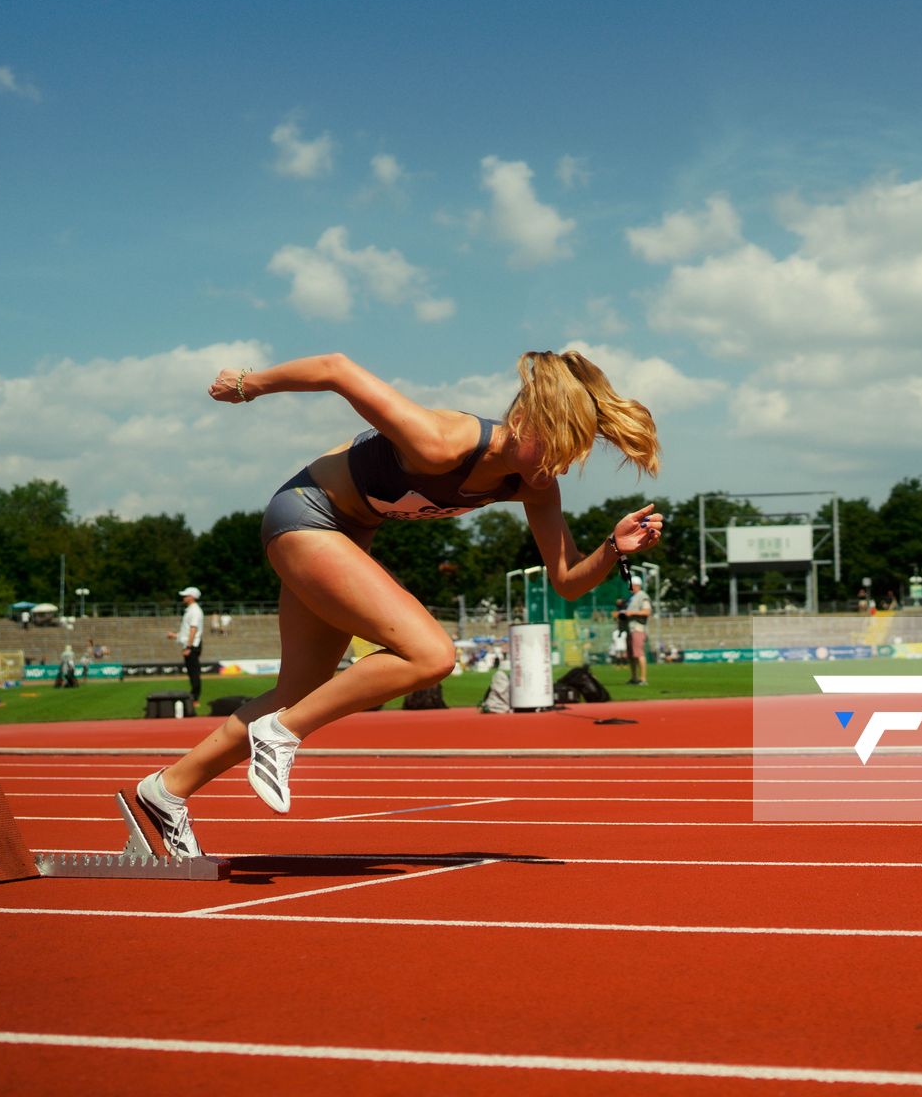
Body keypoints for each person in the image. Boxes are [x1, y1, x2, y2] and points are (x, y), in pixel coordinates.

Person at [129, 350, 663, 858]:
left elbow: (567, 580)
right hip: (305, 516)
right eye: (556, 450)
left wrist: (612, 548)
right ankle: (282, 733)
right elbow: (336, 369)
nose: (560, 469)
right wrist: (248, 384)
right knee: (430, 654)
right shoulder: (442, 441)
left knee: (297, 692)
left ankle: (167, 789)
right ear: (526, 420)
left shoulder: (533, 484)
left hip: (347, 538)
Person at [172, 586, 205, 702]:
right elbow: (187, 631)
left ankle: (195, 697)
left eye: (185, 595)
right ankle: (194, 695)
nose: (183, 597)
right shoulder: (191, 610)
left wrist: (188, 647)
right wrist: (175, 635)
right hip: (191, 645)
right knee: (191, 672)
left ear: (192, 597)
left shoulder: (195, 611)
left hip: (192, 646)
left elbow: (193, 630)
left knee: (194, 672)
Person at [623, 574, 652, 685]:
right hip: (630, 628)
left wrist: (631, 613)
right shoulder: (632, 598)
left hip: (638, 628)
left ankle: (643, 679)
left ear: (636, 585)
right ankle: (634, 678)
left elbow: (647, 611)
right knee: (631, 655)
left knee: (639, 653)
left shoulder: (642, 596)